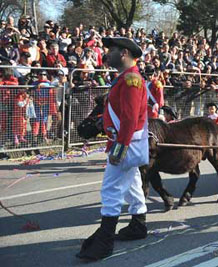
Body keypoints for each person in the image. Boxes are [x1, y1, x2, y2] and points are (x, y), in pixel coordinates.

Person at [76, 37, 149, 262]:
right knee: (133, 185)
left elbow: (128, 119)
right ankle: (138, 223)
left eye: (113, 50)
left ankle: (105, 240)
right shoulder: (125, 78)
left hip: (126, 144)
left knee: (111, 190)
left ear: (125, 53)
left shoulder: (131, 80)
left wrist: (120, 149)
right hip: (126, 142)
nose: (108, 54)